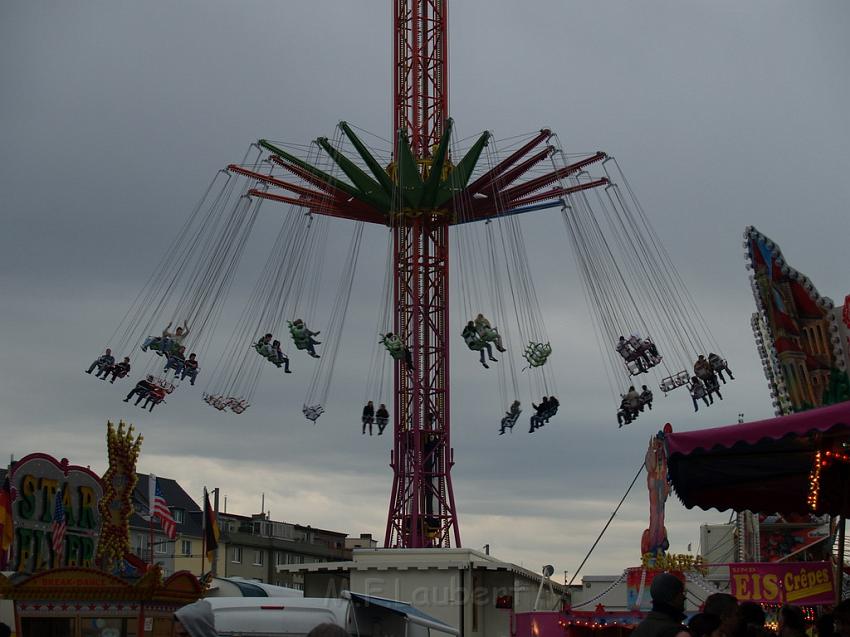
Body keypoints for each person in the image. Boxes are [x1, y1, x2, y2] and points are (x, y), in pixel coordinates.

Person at [630, 572, 686, 637]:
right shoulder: (677, 632)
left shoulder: (640, 629)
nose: (684, 597)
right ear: (672, 596)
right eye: (681, 593)